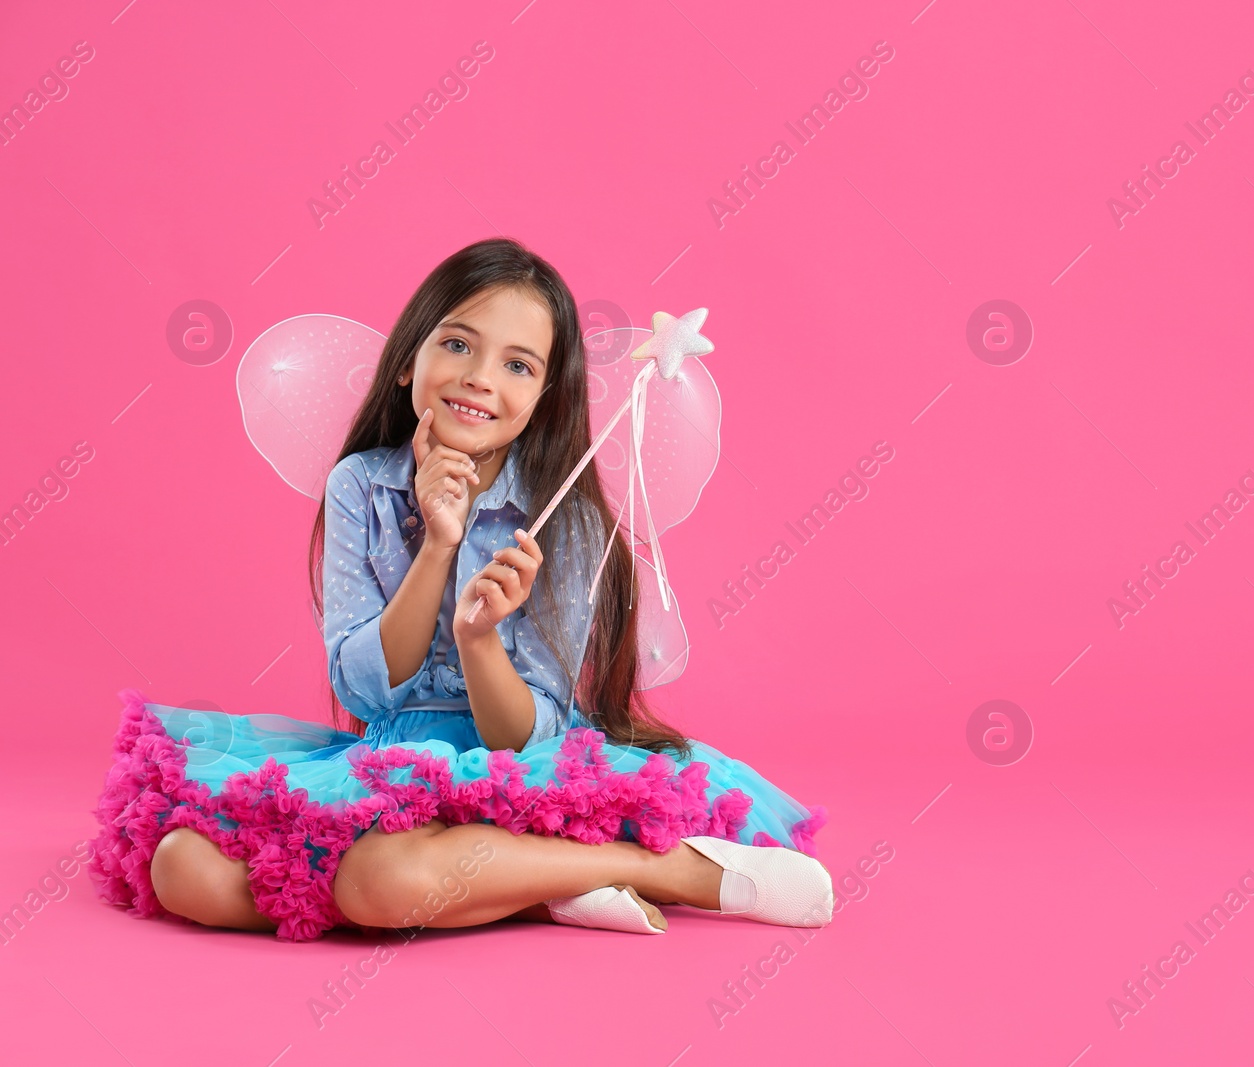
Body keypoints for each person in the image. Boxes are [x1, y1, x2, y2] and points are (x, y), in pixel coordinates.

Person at [88, 237, 832, 942]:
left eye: (518, 365)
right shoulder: (363, 486)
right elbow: (366, 689)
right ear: (409, 360)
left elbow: (526, 736)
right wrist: (437, 544)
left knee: (379, 879)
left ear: (545, 397)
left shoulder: (563, 522)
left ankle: (663, 868)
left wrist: (480, 639)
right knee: (182, 867)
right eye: (457, 343)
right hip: (390, 755)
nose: (479, 376)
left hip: (514, 768)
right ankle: (537, 891)